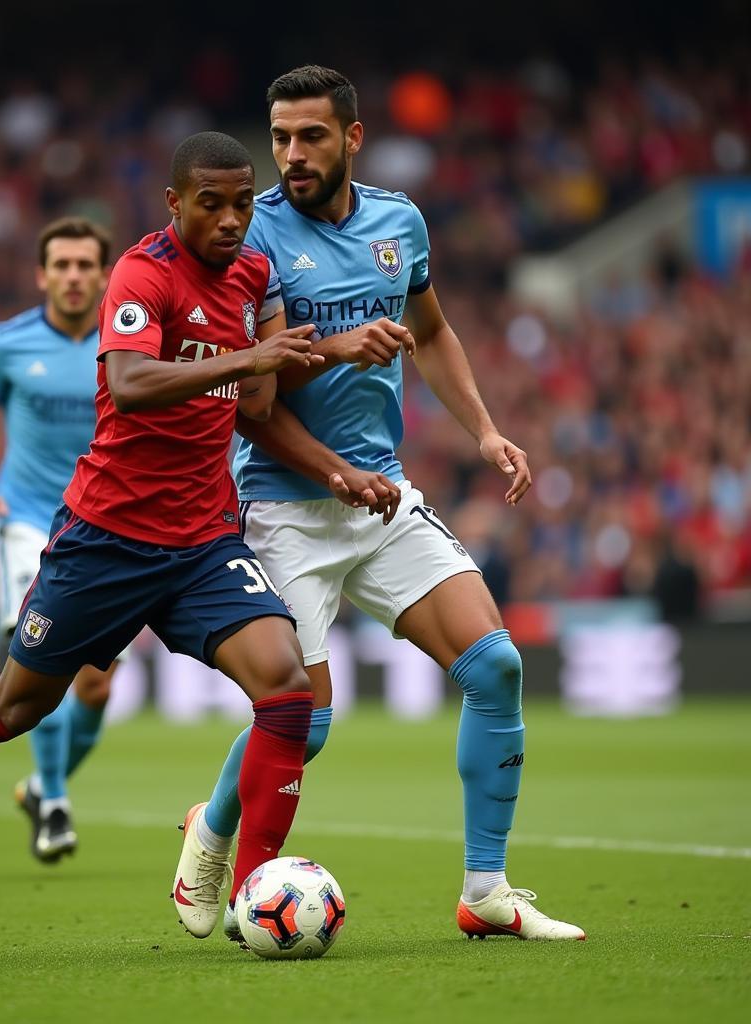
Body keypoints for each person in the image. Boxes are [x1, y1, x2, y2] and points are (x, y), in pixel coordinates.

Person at [0, 134, 394, 919]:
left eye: (243, 202)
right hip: (106, 538)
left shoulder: (254, 276)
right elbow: (131, 384)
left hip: (203, 540)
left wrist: (324, 353)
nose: (233, 219)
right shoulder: (141, 272)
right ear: (176, 204)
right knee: (16, 707)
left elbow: (262, 400)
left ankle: (250, 889)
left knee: (288, 689)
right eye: (213, 203)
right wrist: (245, 360)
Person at [175, 67, 585, 942]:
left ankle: (486, 892)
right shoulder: (253, 244)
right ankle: (211, 830)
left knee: (496, 668)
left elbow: (430, 331)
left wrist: (481, 429)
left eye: (310, 136)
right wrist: (332, 355)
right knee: (305, 723)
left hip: (380, 495)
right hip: (288, 506)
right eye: (279, 137)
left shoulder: (399, 223)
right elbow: (255, 407)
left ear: (352, 138)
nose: (290, 155)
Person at [0, 216, 120, 861]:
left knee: (97, 688)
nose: (74, 276)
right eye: (62, 265)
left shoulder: (128, 341)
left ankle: (43, 787)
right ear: (41, 274)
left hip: (104, 525)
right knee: (40, 661)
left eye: (85, 265)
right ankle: (53, 802)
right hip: (24, 521)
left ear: (104, 275)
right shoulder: (8, 343)